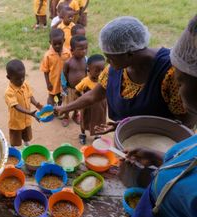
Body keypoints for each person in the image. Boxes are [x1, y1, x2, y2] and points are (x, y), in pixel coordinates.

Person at [91, 15, 197, 217]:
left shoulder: (163, 74)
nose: (177, 87)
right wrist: (164, 159)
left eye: (180, 81)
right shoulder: (186, 149)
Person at [56, 16, 194, 132]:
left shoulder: (170, 74)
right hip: (130, 140)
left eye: (111, 57)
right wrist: (65, 108)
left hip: (162, 150)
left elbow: (184, 124)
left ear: (129, 53)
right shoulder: (114, 70)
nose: (107, 61)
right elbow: (94, 95)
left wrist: (130, 127)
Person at [5, 59, 43, 147]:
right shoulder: (9, 92)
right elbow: (16, 106)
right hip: (16, 121)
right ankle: (13, 148)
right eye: (18, 79)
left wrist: (37, 104)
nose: (21, 80)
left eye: (23, 77)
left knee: (26, 134)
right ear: (9, 77)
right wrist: (30, 113)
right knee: (15, 137)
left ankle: (26, 143)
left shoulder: (25, 84)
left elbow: (30, 96)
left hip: (26, 119)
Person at [75, 54, 106, 144]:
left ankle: (97, 136)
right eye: (97, 71)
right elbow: (77, 91)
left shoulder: (104, 80)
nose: (100, 73)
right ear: (88, 69)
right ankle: (83, 134)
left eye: (102, 70)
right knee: (84, 121)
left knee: (99, 121)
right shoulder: (85, 81)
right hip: (87, 107)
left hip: (100, 107)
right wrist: (82, 100)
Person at [61, 35, 88, 126]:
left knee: (78, 103)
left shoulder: (86, 60)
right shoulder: (68, 62)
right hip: (70, 88)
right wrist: (64, 85)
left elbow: (87, 73)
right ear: (72, 50)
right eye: (81, 49)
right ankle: (66, 116)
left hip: (80, 89)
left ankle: (76, 114)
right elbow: (64, 74)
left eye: (85, 48)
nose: (84, 51)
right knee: (68, 103)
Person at [40, 29, 71, 108]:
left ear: (64, 41)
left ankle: (58, 110)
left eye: (59, 43)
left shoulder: (67, 53)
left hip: (64, 81)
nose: (57, 46)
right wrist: (48, 83)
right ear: (50, 43)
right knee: (52, 96)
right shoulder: (48, 55)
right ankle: (50, 110)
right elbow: (45, 71)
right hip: (53, 81)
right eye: (55, 44)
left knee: (61, 96)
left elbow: (70, 66)